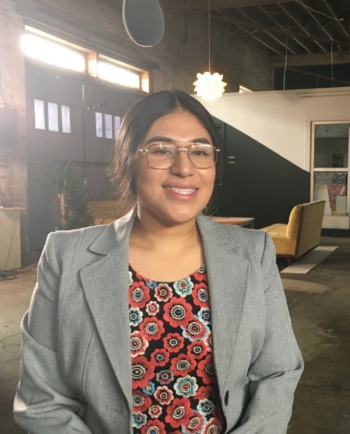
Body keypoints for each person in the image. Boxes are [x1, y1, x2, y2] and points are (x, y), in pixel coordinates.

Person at [14, 90, 303, 433]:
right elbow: (42, 400)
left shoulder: (253, 253)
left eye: (199, 151)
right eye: (162, 150)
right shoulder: (67, 258)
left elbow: (278, 373)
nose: (184, 168)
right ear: (128, 160)